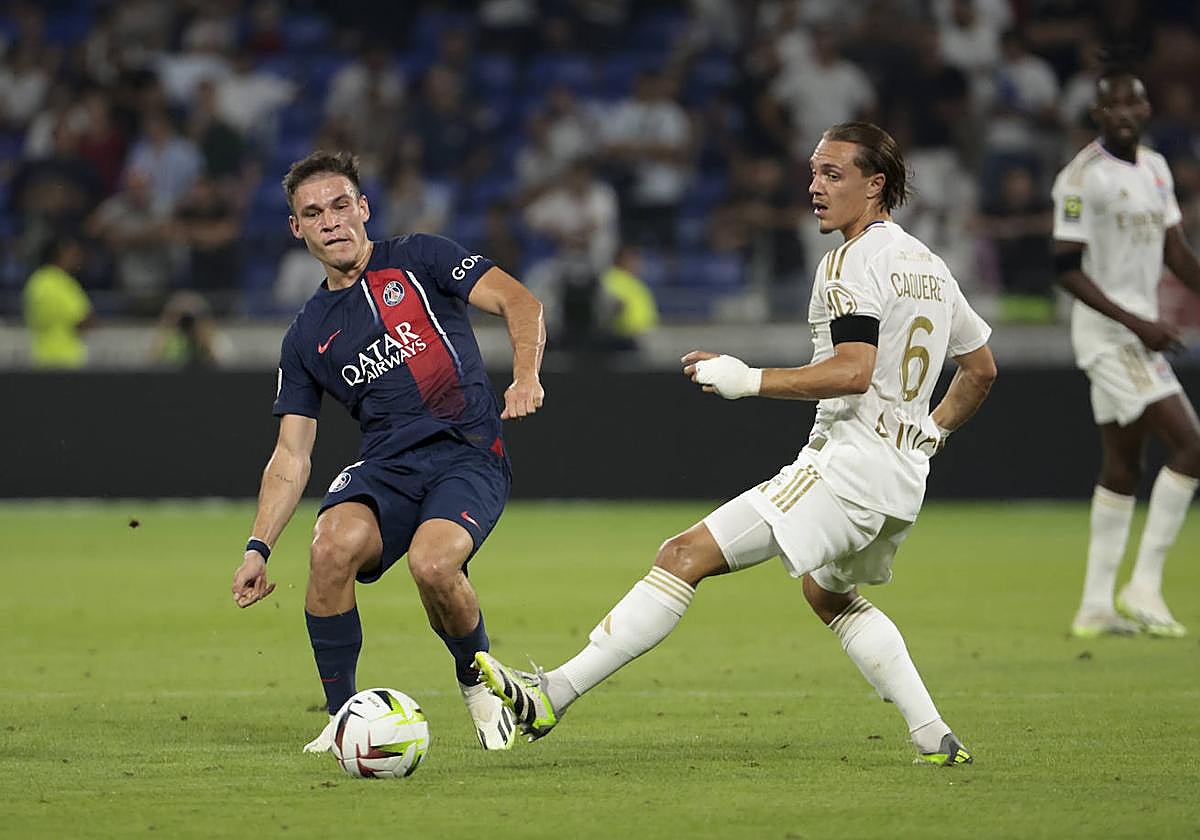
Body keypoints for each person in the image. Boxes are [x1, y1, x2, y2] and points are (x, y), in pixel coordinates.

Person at [475, 122, 997, 766]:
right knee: (827, 594)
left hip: (849, 466)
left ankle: (552, 694)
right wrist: (929, 435)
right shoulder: (930, 266)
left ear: (875, 185)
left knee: (682, 554)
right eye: (813, 172)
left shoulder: (850, 262)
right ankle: (934, 735)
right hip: (902, 479)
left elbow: (854, 370)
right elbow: (980, 370)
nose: (815, 187)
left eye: (833, 174)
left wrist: (748, 379)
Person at [229, 151, 547, 753]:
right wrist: (257, 547)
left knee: (433, 565)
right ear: (296, 228)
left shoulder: (422, 257)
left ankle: (477, 681)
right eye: (313, 213)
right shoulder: (305, 335)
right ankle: (343, 718)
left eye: (340, 205)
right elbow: (291, 455)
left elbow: (521, 302)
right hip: (388, 467)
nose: (330, 222)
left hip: (467, 452)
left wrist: (525, 376)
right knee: (329, 547)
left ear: (364, 209)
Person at [1051, 68, 1200, 639]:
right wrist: (1141, 323)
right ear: (1098, 114)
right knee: (1191, 445)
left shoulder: (1156, 168)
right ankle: (1145, 586)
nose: (1124, 114)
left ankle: (1095, 605)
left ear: (1146, 109)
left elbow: (1176, 251)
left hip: (1139, 333)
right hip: (1111, 337)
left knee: (1122, 466)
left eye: (1133, 104)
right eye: (1113, 106)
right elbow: (1065, 269)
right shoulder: (1080, 178)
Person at [23, 233, 94, 368]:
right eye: (73, 253)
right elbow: (83, 320)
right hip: (65, 359)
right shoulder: (61, 283)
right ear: (60, 254)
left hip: (40, 356)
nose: (77, 258)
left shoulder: (36, 281)